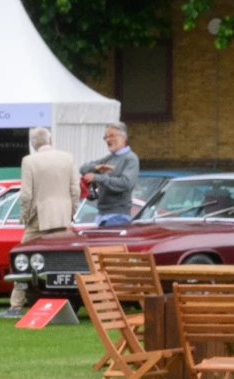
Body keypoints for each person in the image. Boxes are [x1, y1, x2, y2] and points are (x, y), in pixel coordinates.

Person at [10, 125, 81, 312]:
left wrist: (24, 218)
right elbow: (75, 190)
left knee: (21, 258)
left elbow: (26, 195)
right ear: (50, 140)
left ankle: (16, 304)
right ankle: (64, 301)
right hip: (62, 218)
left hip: (38, 219)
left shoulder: (29, 161)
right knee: (63, 261)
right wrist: (71, 213)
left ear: (33, 145)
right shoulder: (67, 158)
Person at [85, 124, 140, 229]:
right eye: (106, 137)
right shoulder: (108, 159)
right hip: (101, 215)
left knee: (108, 246)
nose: (108, 140)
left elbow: (125, 183)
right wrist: (96, 168)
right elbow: (83, 168)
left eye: (111, 136)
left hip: (118, 216)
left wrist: (97, 178)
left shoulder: (130, 159)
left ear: (123, 138)